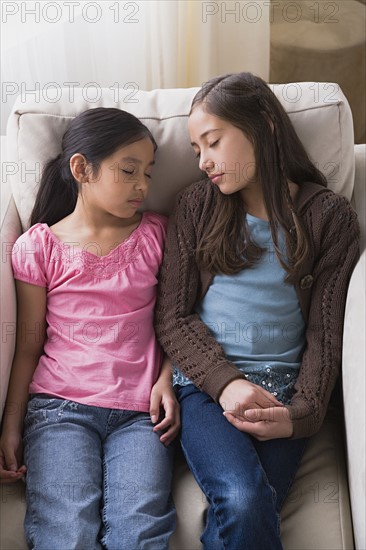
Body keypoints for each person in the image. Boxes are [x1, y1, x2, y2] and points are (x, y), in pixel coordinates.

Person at [155, 72, 360, 550]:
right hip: (206, 389)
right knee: (244, 498)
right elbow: (174, 318)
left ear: (264, 125)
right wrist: (226, 382)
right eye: (195, 150)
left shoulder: (329, 218)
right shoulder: (197, 206)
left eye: (212, 142)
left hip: (286, 395)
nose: (204, 161)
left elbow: (327, 338)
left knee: (247, 511)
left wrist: (300, 414)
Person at [0, 107, 180, 550]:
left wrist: (166, 378)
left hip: (142, 416)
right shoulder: (37, 246)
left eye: (149, 173)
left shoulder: (160, 235)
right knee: (66, 532)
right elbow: (28, 345)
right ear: (82, 168)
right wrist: (11, 426)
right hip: (60, 410)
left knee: (138, 531)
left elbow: (182, 319)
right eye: (129, 170)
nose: (143, 185)